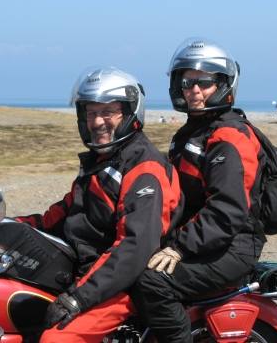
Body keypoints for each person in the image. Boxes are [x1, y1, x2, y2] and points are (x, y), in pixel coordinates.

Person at [15, 66, 183, 342]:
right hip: (88, 273)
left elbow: (134, 246)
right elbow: (62, 214)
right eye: (91, 113)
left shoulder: (143, 169)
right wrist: (8, 226)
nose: (97, 122)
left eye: (108, 112)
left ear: (129, 113)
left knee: (56, 341)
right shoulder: (102, 163)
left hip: (122, 283)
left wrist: (78, 298)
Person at [131, 37, 267, 342]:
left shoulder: (229, 137)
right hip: (204, 240)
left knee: (152, 282)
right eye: (187, 82)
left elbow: (226, 213)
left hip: (231, 246)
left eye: (203, 83)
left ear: (222, 84)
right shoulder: (192, 132)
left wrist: (178, 247)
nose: (193, 90)